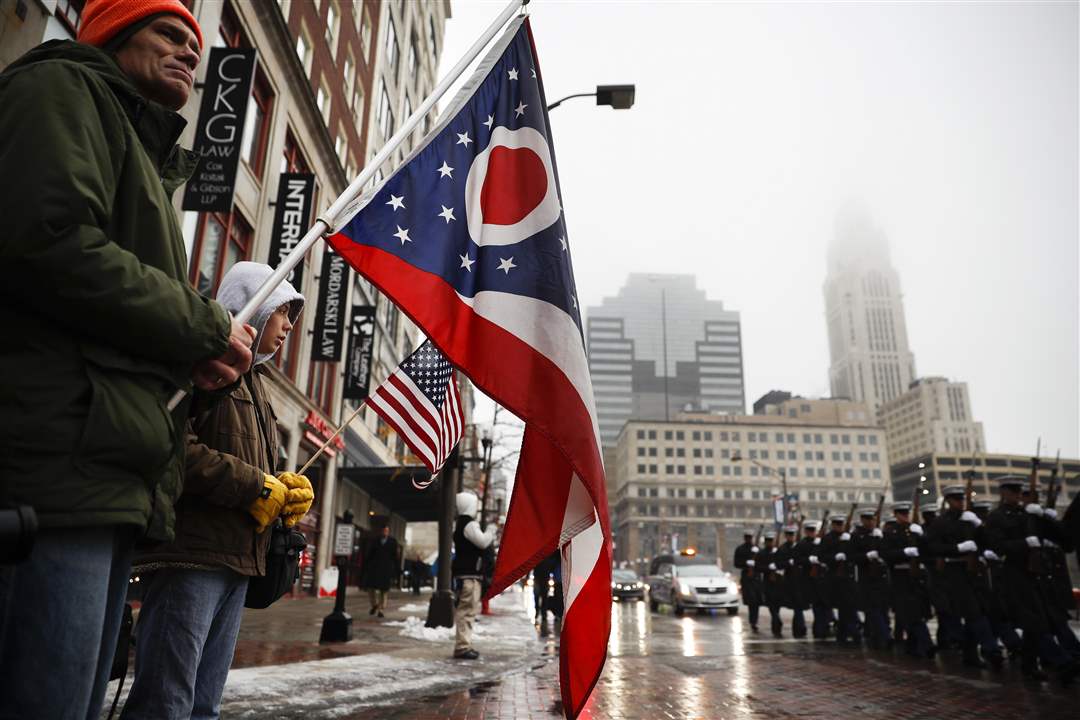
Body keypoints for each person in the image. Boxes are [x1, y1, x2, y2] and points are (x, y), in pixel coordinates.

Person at [0, 2, 257, 717]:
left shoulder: (139, 148)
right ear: (111, 31)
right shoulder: (62, 91)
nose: (189, 55)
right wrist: (203, 326)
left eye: (196, 47)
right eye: (169, 35)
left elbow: (111, 314)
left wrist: (190, 362)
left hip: (106, 478)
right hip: (52, 471)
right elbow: (48, 242)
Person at [121, 262, 313, 719]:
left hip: (238, 559)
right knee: (166, 700)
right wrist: (256, 486)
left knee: (205, 704)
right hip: (191, 554)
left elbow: (253, 467)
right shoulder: (203, 361)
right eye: (282, 312)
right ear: (255, 308)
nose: (288, 326)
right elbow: (174, 445)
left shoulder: (259, 385)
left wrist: (281, 488)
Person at [984, 474, 1077, 685]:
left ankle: (1028, 666)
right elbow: (997, 545)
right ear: (1004, 493)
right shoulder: (996, 517)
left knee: (1036, 622)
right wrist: (1024, 543)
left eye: (1020, 492)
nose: (1017, 496)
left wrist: (1045, 516)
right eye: (1013, 492)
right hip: (1014, 576)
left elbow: (1065, 540)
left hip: (1039, 576)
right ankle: (1062, 661)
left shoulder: (1030, 514)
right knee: (1034, 621)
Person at [924, 484, 1003, 668]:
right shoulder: (940, 522)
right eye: (956, 499)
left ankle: (970, 656)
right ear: (949, 501)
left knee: (975, 614)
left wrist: (979, 525)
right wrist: (957, 549)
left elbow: (989, 542)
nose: (960, 502)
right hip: (955, 573)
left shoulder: (970, 519)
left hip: (975, 572)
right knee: (974, 613)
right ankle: (992, 649)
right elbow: (932, 547)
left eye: (962, 499)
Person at [881, 502, 933, 658]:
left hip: (918, 578)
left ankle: (912, 646)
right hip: (901, 578)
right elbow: (886, 554)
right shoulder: (891, 533)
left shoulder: (915, 531)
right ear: (896, 515)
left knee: (915, 613)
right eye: (902, 514)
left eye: (906, 513)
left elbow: (929, 551)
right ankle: (926, 644)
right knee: (912, 613)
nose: (905, 516)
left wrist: (922, 537)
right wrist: (904, 552)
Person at [452, 492, 495, 659]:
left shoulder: (461, 524)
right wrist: (491, 531)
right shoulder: (469, 525)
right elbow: (483, 542)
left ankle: (464, 644)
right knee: (466, 610)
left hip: (467, 574)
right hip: (469, 575)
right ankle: (463, 646)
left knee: (467, 610)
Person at [850, 508, 890, 650]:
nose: (871, 522)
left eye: (873, 519)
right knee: (873, 608)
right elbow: (852, 557)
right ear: (862, 520)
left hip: (881, 577)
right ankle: (883, 636)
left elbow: (887, 553)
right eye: (868, 519)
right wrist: (867, 556)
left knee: (881, 608)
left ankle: (877, 635)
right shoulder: (856, 536)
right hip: (866, 578)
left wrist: (880, 539)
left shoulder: (878, 535)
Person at [820, 514, 861, 645]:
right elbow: (822, 556)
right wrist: (834, 557)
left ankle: (848, 633)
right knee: (844, 608)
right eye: (837, 524)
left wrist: (848, 542)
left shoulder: (849, 538)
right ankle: (848, 633)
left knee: (849, 607)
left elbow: (856, 554)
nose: (839, 526)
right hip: (834, 578)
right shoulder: (827, 539)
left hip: (848, 577)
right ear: (832, 525)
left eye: (841, 524)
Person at [362, 525, 400, 618]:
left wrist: (396, 569)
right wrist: (366, 566)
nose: (385, 532)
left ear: (388, 531)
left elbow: (395, 557)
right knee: (371, 589)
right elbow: (369, 554)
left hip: (386, 569)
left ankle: (381, 609)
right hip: (374, 568)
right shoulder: (375, 541)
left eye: (387, 530)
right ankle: (374, 605)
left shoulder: (393, 542)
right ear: (381, 531)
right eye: (384, 530)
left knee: (384, 590)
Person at [775, 525, 806, 638]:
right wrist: (788, 563)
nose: (791, 537)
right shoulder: (782, 549)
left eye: (792, 535)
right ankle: (799, 628)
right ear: (786, 536)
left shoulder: (800, 546)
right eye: (789, 535)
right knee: (797, 606)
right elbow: (778, 564)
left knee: (799, 606)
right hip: (790, 581)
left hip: (801, 580)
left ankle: (799, 628)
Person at [733, 529, 762, 633]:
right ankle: (752, 621)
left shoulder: (757, 549)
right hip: (747, 577)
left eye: (750, 537)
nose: (749, 539)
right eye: (747, 537)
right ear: (744, 537)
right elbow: (736, 563)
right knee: (751, 600)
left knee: (757, 601)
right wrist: (746, 563)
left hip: (756, 577)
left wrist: (755, 562)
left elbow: (762, 562)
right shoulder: (740, 549)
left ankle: (755, 621)